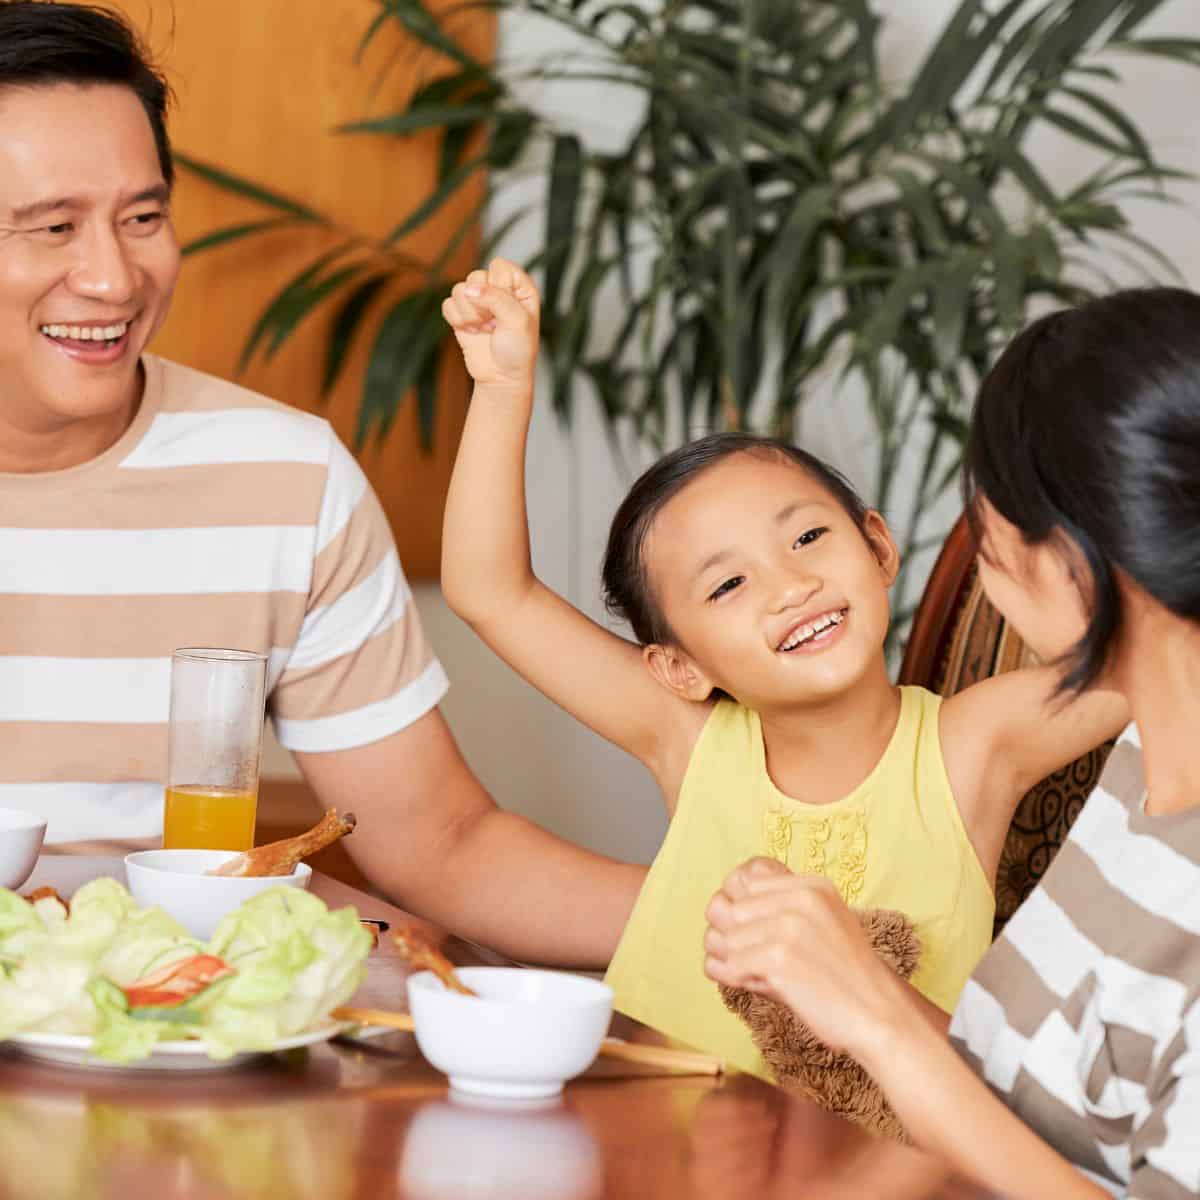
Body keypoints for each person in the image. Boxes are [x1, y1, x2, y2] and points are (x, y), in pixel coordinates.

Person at [0, 0, 644, 967]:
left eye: (143, 217)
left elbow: (443, 845)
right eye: (52, 227)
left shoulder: (282, 480)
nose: (113, 278)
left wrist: (759, 930)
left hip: (170, 1049)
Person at [439, 258, 1127, 1078]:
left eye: (807, 538)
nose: (791, 586)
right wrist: (503, 389)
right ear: (679, 666)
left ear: (877, 549)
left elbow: (1151, 658)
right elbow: (491, 593)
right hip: (656, 1141)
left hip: (878, 1170)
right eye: (728, 584)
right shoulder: (686, 736)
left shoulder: (972, 743)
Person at [704, 286, 1200, 1197]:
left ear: (1074, 559)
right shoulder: (1146, 759)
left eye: (994, 514)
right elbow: (1010, 1109)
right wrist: (856, 996)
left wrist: (876, 1013)